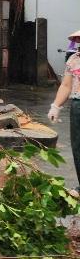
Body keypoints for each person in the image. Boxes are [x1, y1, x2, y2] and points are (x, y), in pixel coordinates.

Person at [48, 29, 80, 178]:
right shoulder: (73, 59)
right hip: (77, 106)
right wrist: (55, 106)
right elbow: (66, 86)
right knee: (78, 146)